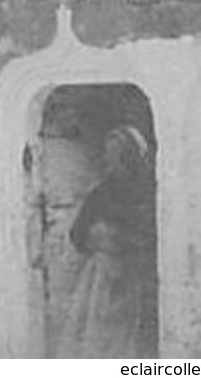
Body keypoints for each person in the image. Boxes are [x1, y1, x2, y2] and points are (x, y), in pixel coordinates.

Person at [57, 124, 158, 357]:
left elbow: (150, 234)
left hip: (135, 276)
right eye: (108, 153)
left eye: (118, 154)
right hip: (100, 277)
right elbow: (77, 235)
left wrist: (121, 240)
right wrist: (97, 238)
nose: (110, 160)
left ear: (131, 156)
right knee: (96, 338)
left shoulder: (148, 191)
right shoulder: (102, 192)